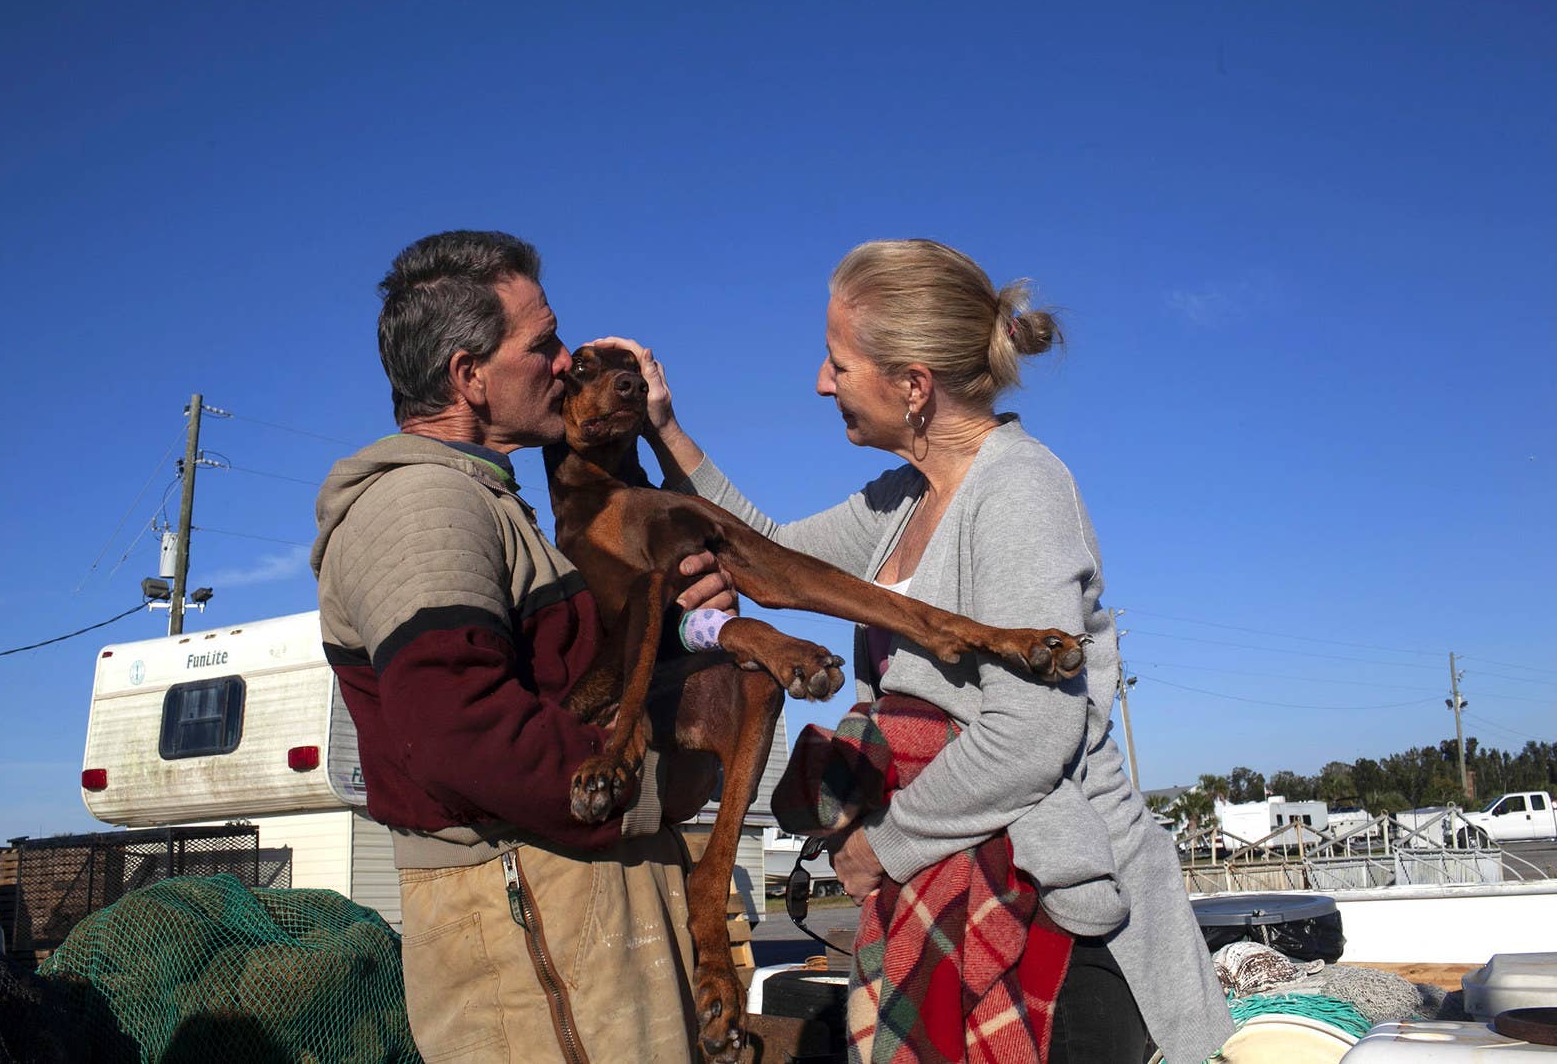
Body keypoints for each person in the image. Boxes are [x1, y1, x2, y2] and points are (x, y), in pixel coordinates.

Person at [626, 238, 1235, 1063]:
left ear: (914, 386)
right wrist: (666, 429)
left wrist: (883, 843)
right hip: (959, 895)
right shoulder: (898, 501)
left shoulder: (1019, 490)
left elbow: (1030, 733)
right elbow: (765, 552)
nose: (820, 382)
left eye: (838, 363)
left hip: (1057, 921)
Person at [310, 230, 731, 1064]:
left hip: (569, 920)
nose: (565, 359)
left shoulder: (492, 504)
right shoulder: (423, 507)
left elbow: (586, 682)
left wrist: (684, 625)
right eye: (541, 344)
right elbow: (460, 730)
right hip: (536, 929)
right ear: (469, 376)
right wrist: (650, 788)